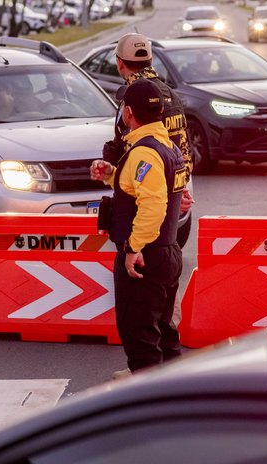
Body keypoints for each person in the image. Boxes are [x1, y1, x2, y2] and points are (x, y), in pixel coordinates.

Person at [90, 79, 185, 379]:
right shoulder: (167, 146)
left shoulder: (144, 152)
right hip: (166, 254)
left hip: (147, 258)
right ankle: (173, 396)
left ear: (128, 113)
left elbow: (153, 204)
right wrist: (113, 175)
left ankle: (151, 410)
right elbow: (151, 188)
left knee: (140, 337)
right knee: (163, 331)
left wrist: (133, 248)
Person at [105, 33, 194, 212]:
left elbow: (132, 152)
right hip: (170, 193)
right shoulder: (172, 95)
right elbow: (183, 151)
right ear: (151, 59)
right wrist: (179, 189)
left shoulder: (135, 96)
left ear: (119, 62)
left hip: (142, 197)